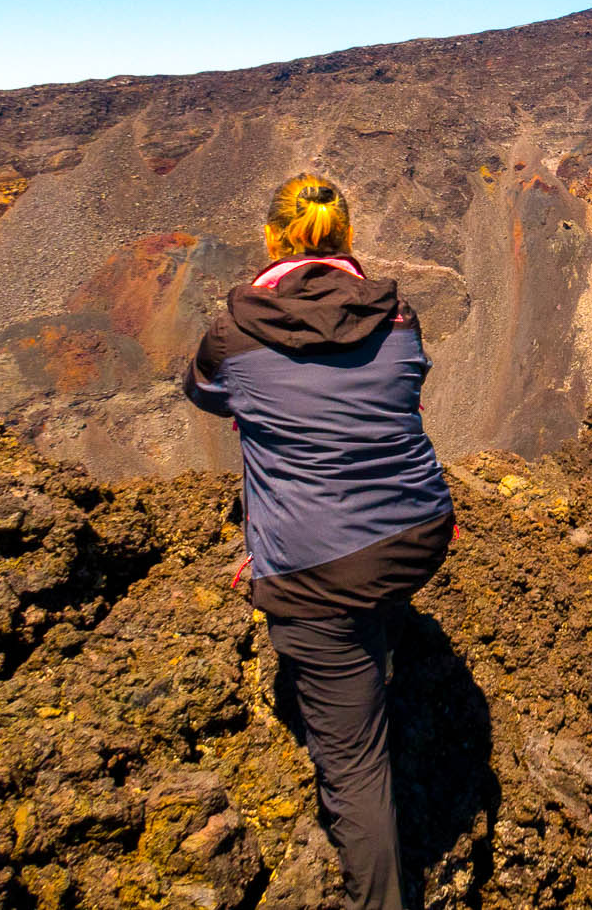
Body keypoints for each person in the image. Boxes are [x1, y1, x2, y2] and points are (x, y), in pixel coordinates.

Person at [183, 173, 454, 910]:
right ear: (346, 238)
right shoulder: (399, 314)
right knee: (368, 603)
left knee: (358, 770)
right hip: (418, 530)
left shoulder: (233, 333)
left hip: (315, 569)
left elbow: (202, 391)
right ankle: (380, 642)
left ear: (272, 240)